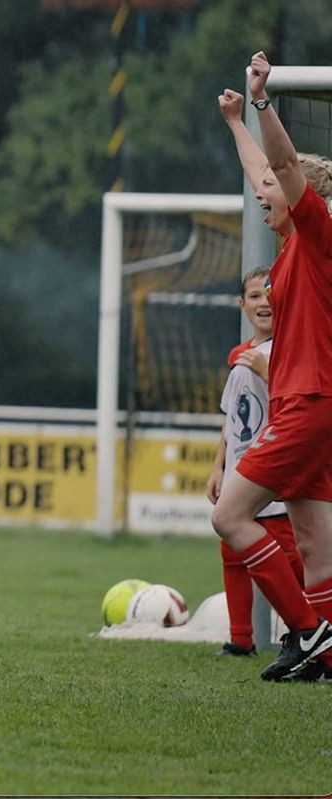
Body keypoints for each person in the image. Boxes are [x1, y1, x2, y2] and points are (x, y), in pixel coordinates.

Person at [210, 53, 332, 681]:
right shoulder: (291, 245)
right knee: (313, 543)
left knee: (229, 516)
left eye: (270, 193)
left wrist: (261, 102)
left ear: (297, 197)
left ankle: (308, 634)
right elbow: (268, 169)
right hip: (309, 404)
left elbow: (282, 165)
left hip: (309, 403)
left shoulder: (315, 235)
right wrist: (236, 123)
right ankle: (327, 656)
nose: (261, 193)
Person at [205, 267, 304, 656]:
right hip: (241, 472)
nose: (264, 302)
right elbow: (232, 420)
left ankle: (310, 627)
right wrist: (219, 466)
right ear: (242, 305)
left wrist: (271, 373)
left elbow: (298, 410)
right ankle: (240, 640)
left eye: (271, 294)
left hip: (273, 474)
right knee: (231, 553)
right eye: (255, 296)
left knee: (292, 558)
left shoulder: (291, 352)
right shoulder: (242, 358)